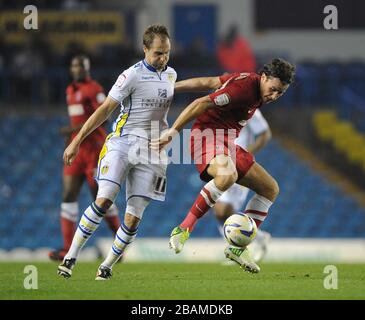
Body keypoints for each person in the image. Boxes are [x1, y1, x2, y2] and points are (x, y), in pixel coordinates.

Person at [151, 58, 295, 273]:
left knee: (270, 188)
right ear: (264, 77)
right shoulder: (244, 90)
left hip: (227, 143)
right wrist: (173, 132)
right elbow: (200, 103)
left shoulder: (252, 84)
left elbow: (209, 81)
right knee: (227, 176)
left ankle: (238, 247)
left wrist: (172, 87)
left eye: (280, 93)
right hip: (206, 137)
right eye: (273, 89)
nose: (274, 96)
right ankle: (183, 229)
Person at [57, 24, 177, 280]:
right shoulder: (130, 75)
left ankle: (107, 265)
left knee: (134, 218)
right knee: (104, 200)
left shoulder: (171, 75)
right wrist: (77, 140)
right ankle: (71, 256)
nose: (163, 58)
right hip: (123, 143)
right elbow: (104, 110)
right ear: (145, 49)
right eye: (157, 53)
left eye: (166, 52)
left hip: (154, 151)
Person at [49, 55, 120, 261]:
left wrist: (72, 131)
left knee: (100, 198)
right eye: (74, 65)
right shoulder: (70, 90)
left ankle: (119, 241)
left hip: (95, 151)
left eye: (81, 66)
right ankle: (66, 248)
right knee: (68, 195)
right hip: (78, 151)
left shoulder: (95, 89)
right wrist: (71, 139)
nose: (77, 69)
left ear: (88, 68)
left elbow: (105, 117)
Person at [213, 110, 272, 263]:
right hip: (223, 162)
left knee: (224, 209)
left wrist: (245, 156)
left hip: (240, 166)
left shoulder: (249, 107)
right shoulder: (220, 106)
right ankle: (257, 238)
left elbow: (265, 134)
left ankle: (238, 249)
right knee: (220, 211)